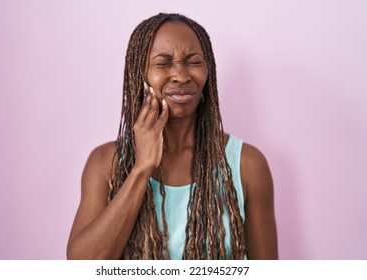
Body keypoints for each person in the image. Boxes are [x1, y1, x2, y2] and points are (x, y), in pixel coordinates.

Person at [67, 13, 278, 260]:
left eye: (194, 61)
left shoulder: (247, 165)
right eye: (163, 63)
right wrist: (142, 168)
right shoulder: (105, 163)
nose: (181, 75)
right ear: (140, 74)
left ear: (208, 71)